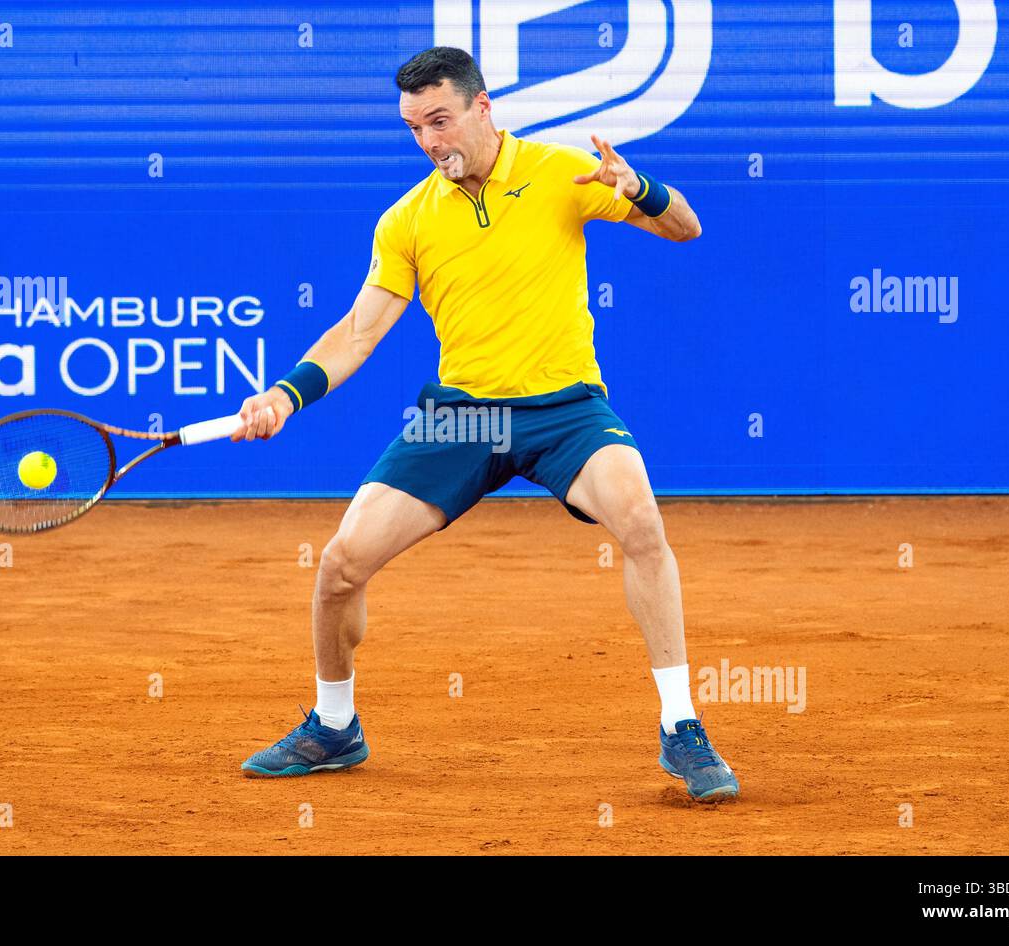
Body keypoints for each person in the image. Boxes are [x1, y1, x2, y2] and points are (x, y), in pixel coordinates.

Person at [232, 47, 738, 801]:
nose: (431, 141)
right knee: (339, 565)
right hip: (464, 417)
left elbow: (686, 227)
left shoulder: (563, 174)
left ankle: (680, 727)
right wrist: (284, 394)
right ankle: (335, 727)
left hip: (564, 409)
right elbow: (359, 331)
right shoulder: (406, 220)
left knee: (640, 520)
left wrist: (638, 187)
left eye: (440, 120)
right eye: (414, 128)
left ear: (483, 107)